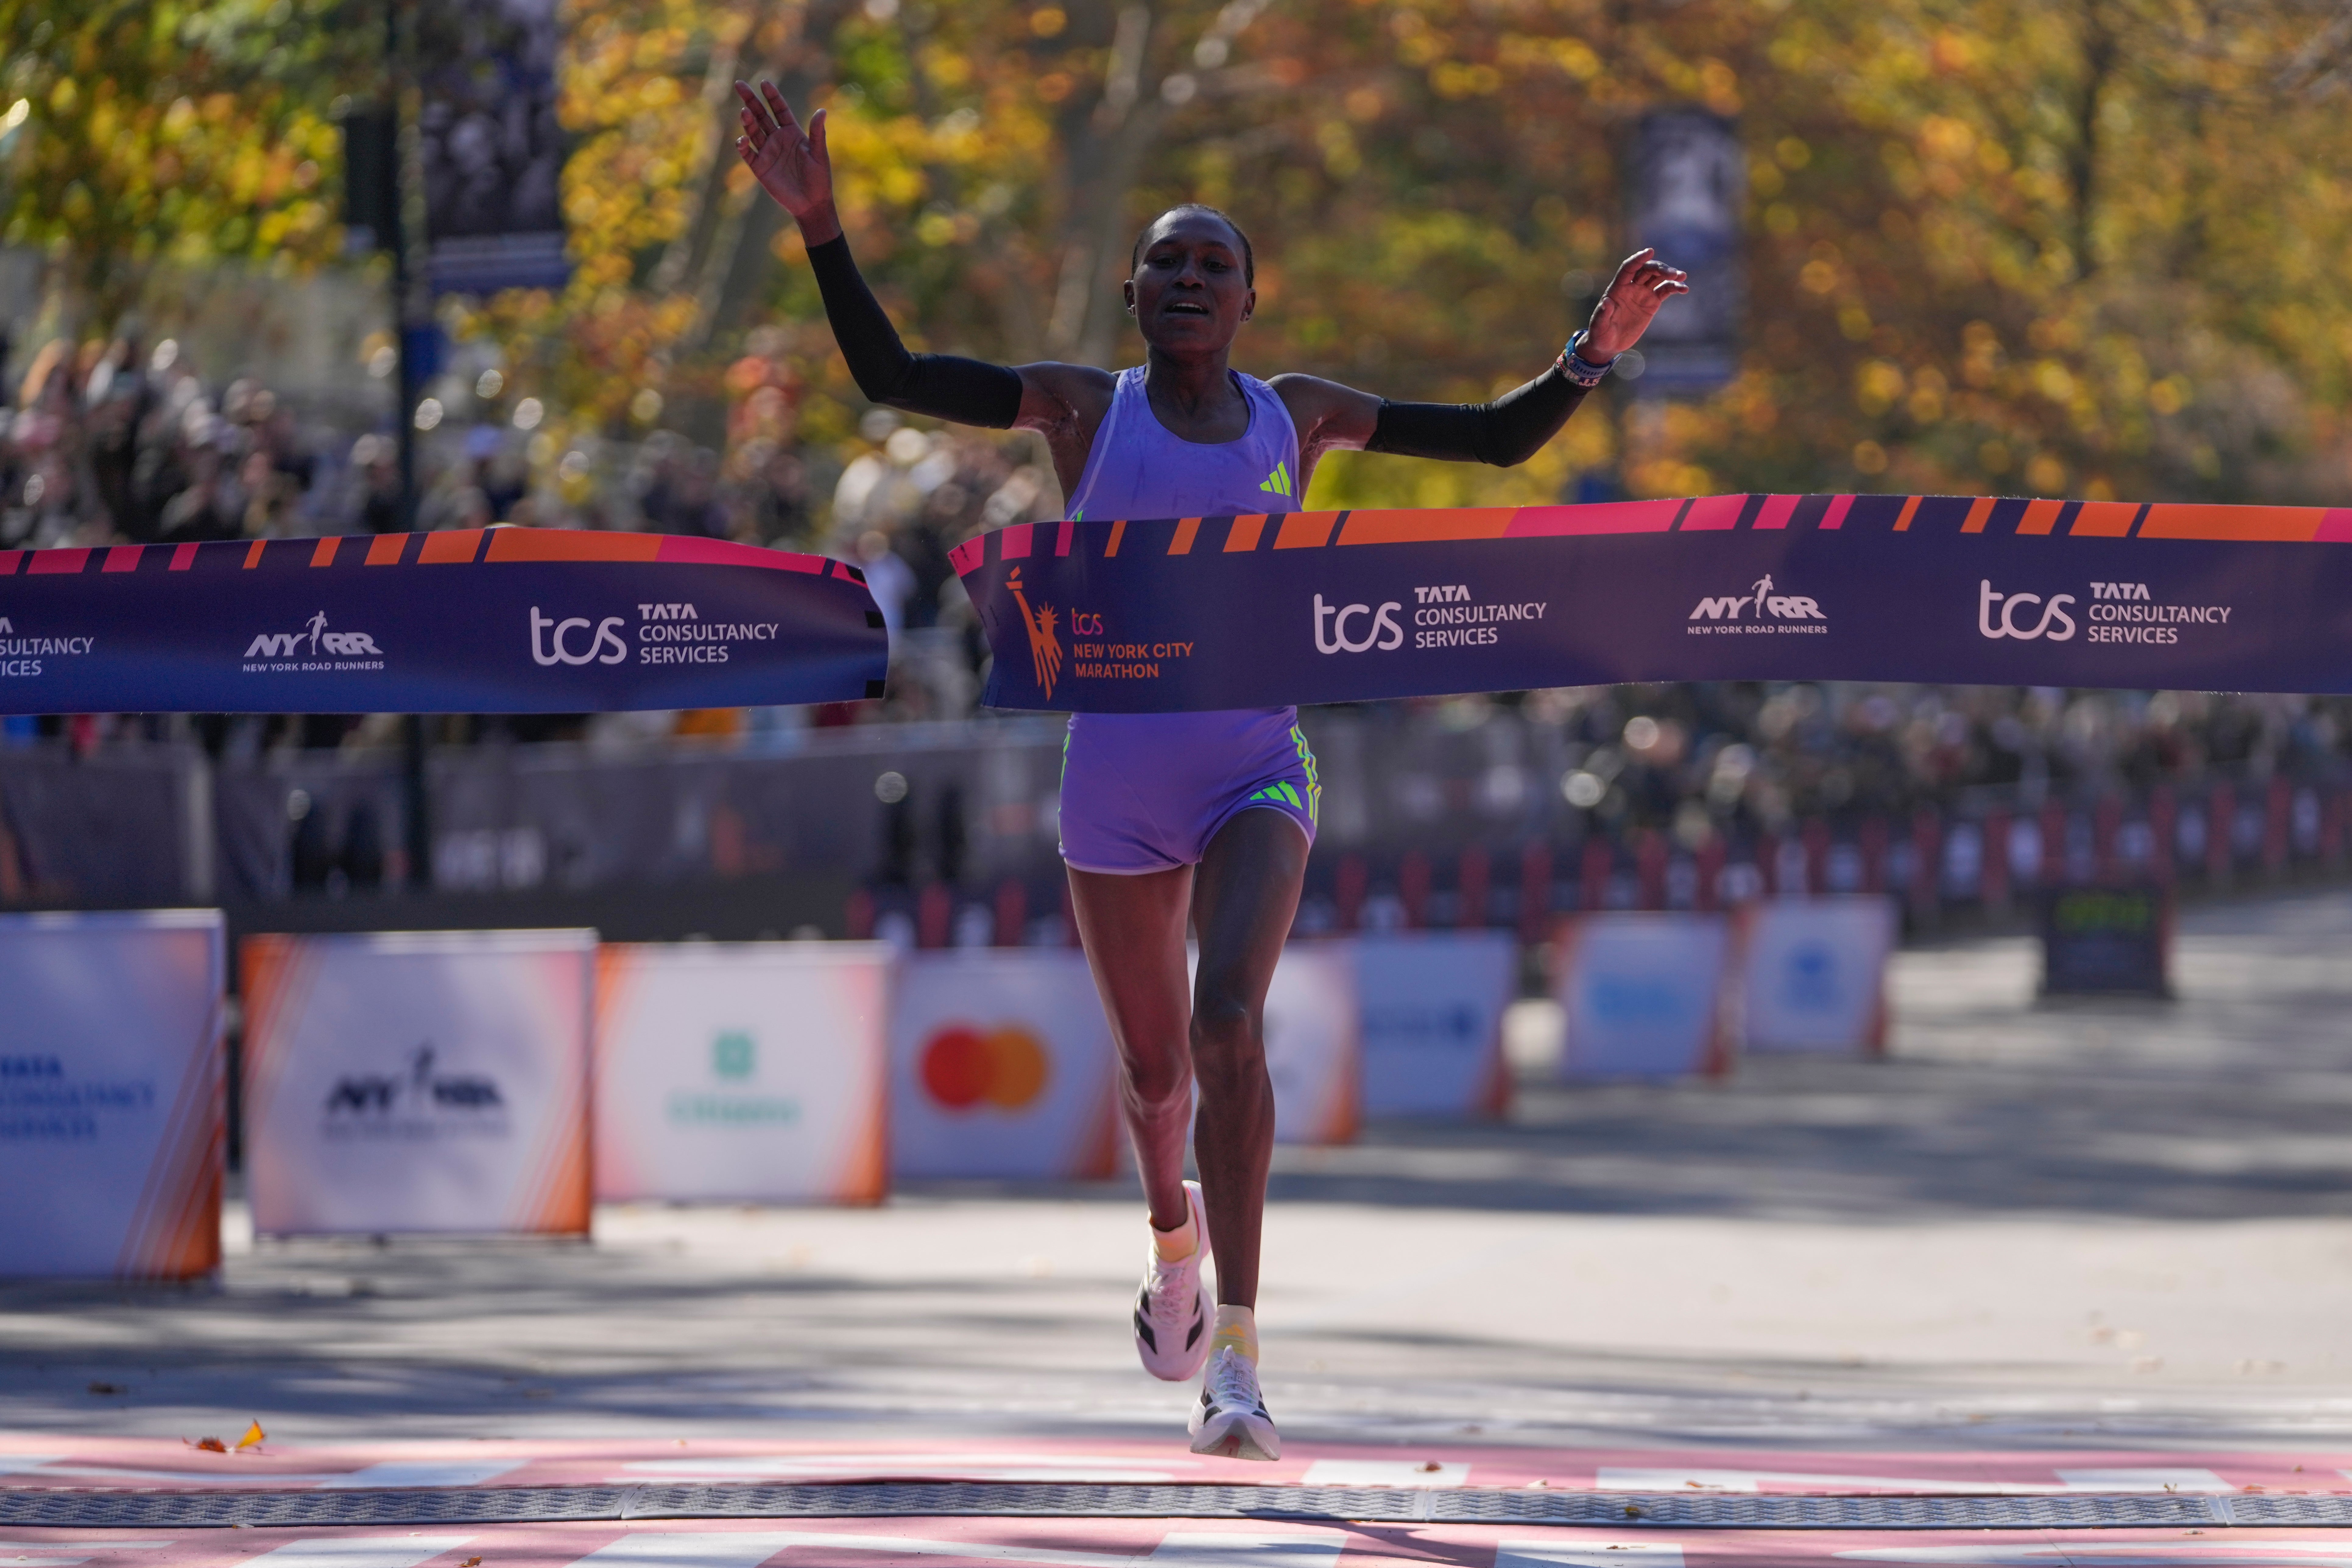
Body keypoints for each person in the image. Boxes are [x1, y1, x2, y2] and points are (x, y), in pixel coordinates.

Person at [735, 80, 1686, 1461]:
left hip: (1254, 767)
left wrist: (1590, 354)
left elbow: (1488, 438)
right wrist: (822, 229)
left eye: (1214, 264)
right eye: (1167, 262)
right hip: (1112, 783)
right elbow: (894, 378)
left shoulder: (1294, 419)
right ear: (1133, 295)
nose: (1189, 278)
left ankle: (1234, 1358)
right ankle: (1170, 1249)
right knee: (1154, 1073)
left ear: (1248, 300)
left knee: (1230, 1024)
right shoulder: (1079, 411)